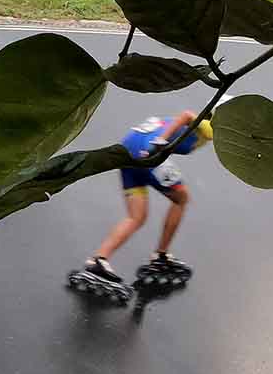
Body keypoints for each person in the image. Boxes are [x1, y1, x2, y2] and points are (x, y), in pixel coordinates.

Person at [75, 111, 213, 292]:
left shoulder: (179, 121)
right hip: (150, 153)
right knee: (181, 199)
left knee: (136, 217)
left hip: (128, 149)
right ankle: (160, 256)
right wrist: (161, 142)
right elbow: (187, 115)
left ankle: (98, 261)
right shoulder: (210, 126)